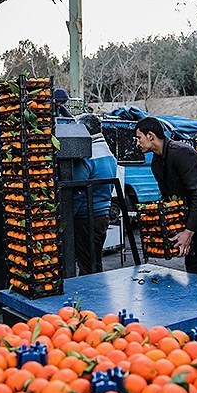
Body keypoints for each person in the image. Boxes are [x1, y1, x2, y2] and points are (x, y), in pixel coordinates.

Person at [135, 116, 197, 279]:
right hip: (196, 222)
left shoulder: (181, 153)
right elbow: (170, 201)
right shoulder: (157, 163)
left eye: (139, 138)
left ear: (150, 136)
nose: (137, 143)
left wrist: (188, 232)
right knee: (195, 270)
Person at [72, 113, 118, 276]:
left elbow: (77, 191)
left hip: (85, 217)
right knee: (95, 262)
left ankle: (89, 299)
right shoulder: (108, 154)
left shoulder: (87, 155)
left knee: (86, 265)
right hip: (102, 216)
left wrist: (67, 216)